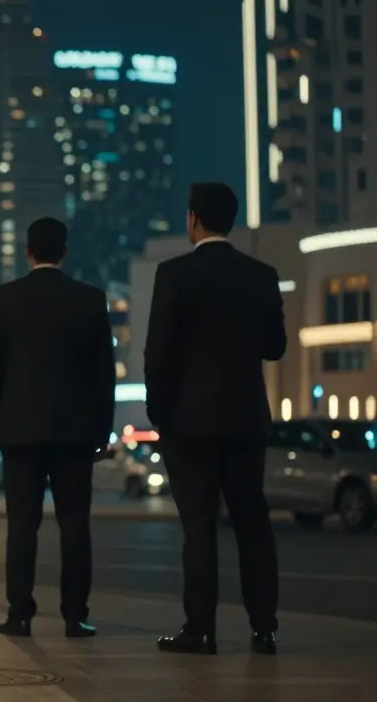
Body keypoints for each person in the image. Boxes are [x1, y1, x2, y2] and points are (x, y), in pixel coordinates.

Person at [144, 182, 285, 656]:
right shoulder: (261, 275)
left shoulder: (174, 274)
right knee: (252, 520)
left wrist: (159, 414)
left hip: (189, 422)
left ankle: (200, 629)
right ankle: (264, 627)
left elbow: (158, 352)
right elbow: (275, 347)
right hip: (246, 417)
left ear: (193, 219)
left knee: (199, 526)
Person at [0, 216, 115, 639]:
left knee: (22, 525)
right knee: (75, 525)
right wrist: (102, 431)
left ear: (28, 251)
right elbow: (103, 375)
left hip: (19, 432)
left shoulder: (3, 300)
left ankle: (20, 615)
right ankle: (75, 615)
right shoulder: (90, 300)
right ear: (65, 251)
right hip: (75, 433)